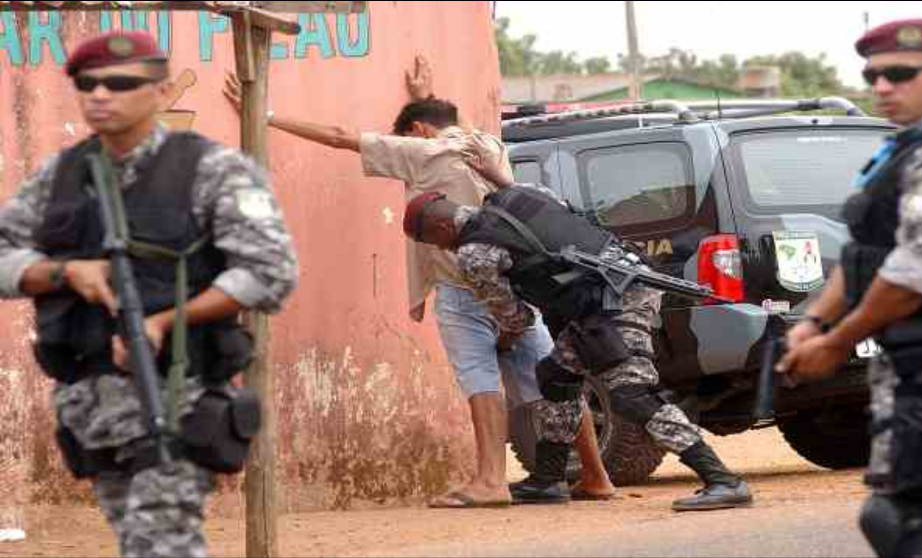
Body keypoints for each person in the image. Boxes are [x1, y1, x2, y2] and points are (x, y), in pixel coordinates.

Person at [223, 57, 614, 507]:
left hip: (463, 290)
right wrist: (421, 98)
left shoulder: (422, 152)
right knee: (556, 380)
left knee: (479, 378)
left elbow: (338, 137)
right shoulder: (488, 145)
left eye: (407, 134)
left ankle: (490, 480)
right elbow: (450, 121)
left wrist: (264, 113)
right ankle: (596, 474)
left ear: (418, 133)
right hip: (515, 290)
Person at [0, 31, 298, 558]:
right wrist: (63, 272)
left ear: (161, 93)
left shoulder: (211, 170)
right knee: (141, 541)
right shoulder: (62, 176)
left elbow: (268, 270)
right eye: (87, 83)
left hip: (177, 399)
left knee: (160, 545)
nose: (99, 94)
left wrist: (166, 321)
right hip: (93, 407)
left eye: (119, 83)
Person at [777, 19, 922, 558]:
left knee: (905, 518)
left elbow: (913, 273)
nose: (882, 87)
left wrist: (836, 343)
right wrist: (815, 320)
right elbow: (866, 252)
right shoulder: (912, 149)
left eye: (900, 74)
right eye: (874, 75)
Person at [400, 181, 754, 511]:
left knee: (631, 393)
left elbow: (517, 320)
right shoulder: (520, 193)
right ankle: (547, 480)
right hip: (612, 288)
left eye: (433, 243)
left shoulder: (475, 254)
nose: (439, 250)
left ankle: (722, 478)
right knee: (557, 376)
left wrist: (502, 344)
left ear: (442, 230)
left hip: (616, 300)